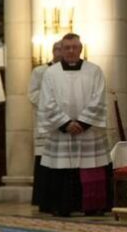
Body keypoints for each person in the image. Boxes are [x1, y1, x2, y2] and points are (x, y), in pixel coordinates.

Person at [37, 33, 115, 217]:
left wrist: (82, 122)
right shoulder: (51, 73)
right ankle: (62, 206)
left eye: (75, 47)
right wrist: (64, 123)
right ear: (61, 50)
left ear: (81, 49)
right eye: (67, 48)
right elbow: (47, 101)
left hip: (88, 132)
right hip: (61, 132)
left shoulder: (94, 71)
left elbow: (99, 98)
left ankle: (92, 205)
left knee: (91, 167)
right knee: (62, 170)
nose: (71, 51)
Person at [29, 40, 62, 206]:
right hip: (47, 123)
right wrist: (50, 99)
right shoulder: (40, 71)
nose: (60, 52)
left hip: (66, 123)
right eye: (57, 49)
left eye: (62, 49)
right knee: (44, 163)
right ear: (52, 51)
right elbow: (32, 95)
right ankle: (43, 200)